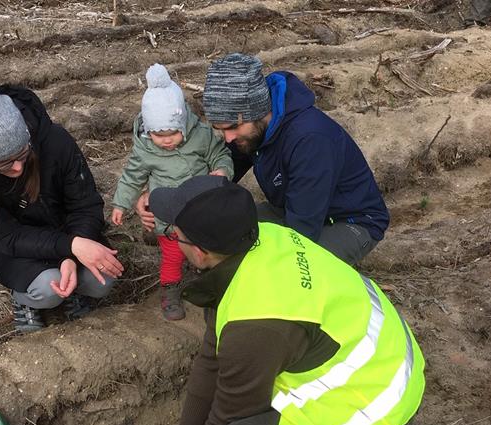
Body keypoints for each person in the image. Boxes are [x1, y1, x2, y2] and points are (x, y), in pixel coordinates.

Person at [147, 175, 425, 425]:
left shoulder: (254, 325)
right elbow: (212, 355)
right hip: (383, 360)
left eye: (175, 235)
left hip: (378, 412)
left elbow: (226, 414)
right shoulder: (264, 235)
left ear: (200, 251)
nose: (173, 239)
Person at [134, 54, 390, 268]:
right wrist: (162, 196)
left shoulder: (310, 140)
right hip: (292, 207)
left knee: (289, 268)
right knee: (222, 227)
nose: (228, 138)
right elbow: (218, 175)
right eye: (221, 129)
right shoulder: (254, 130)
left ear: (256, 112)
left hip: (349, 221)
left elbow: (302, 232)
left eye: (232, 127)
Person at [0, 74, 123, 333]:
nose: (17, 167)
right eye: (3, 164)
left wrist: (72, 252)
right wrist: (70, 247)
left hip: (64, 229)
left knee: (102, 281)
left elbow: (85, 204)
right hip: (14, 244)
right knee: (48, 288)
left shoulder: (55, 141)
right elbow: (5, 235)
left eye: (22, 154)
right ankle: (25, 300)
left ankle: (72, 289)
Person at [111, 64, 233, 321]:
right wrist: (121, 204)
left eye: (173, 134)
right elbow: (133, 176)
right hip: (168, 216)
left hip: (201, 209)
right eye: (158, 135)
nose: (166, 141)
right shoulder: (146, 149)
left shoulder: (200, 137)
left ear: (184, 125)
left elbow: (219, 154)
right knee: (173, 256)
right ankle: (170, 291)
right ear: (148, 130)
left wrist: (222, 171)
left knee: (211, 249)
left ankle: (216, 284)